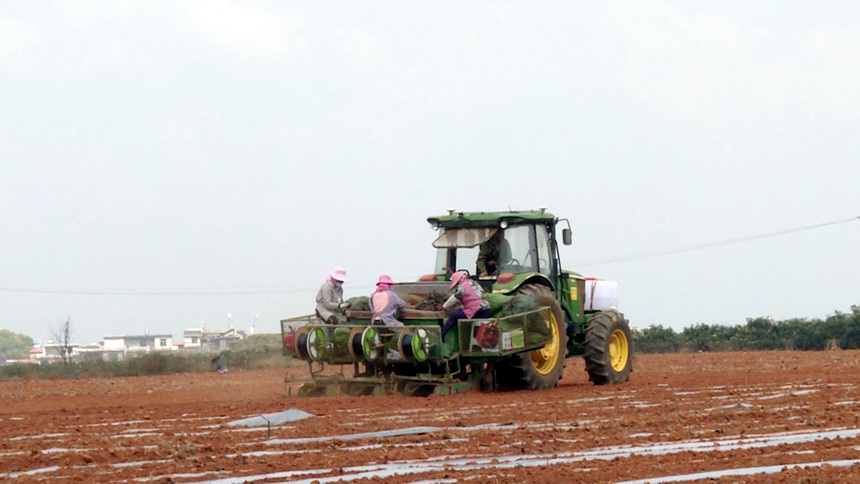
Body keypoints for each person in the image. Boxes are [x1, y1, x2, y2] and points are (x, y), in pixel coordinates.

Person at [442, 271, 491, 337]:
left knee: (454, 315)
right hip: (486, 309)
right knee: (460, 313)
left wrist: (444, 306)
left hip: (477, 310)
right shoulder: (473, 282)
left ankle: (442, 334)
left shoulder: (461, 287)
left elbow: (453, 299)